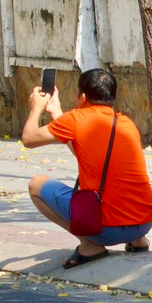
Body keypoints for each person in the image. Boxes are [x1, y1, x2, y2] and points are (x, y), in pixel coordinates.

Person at [22, 67, 152, 269]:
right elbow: (82, 151)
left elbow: (28, 139)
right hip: (144, 223)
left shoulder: (76, 118)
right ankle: (138, 241)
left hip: (106, 230)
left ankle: (90, 245)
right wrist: (56, 112)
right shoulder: (126, 123)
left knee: (36, 185)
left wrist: (36, 107)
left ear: (82, 97)